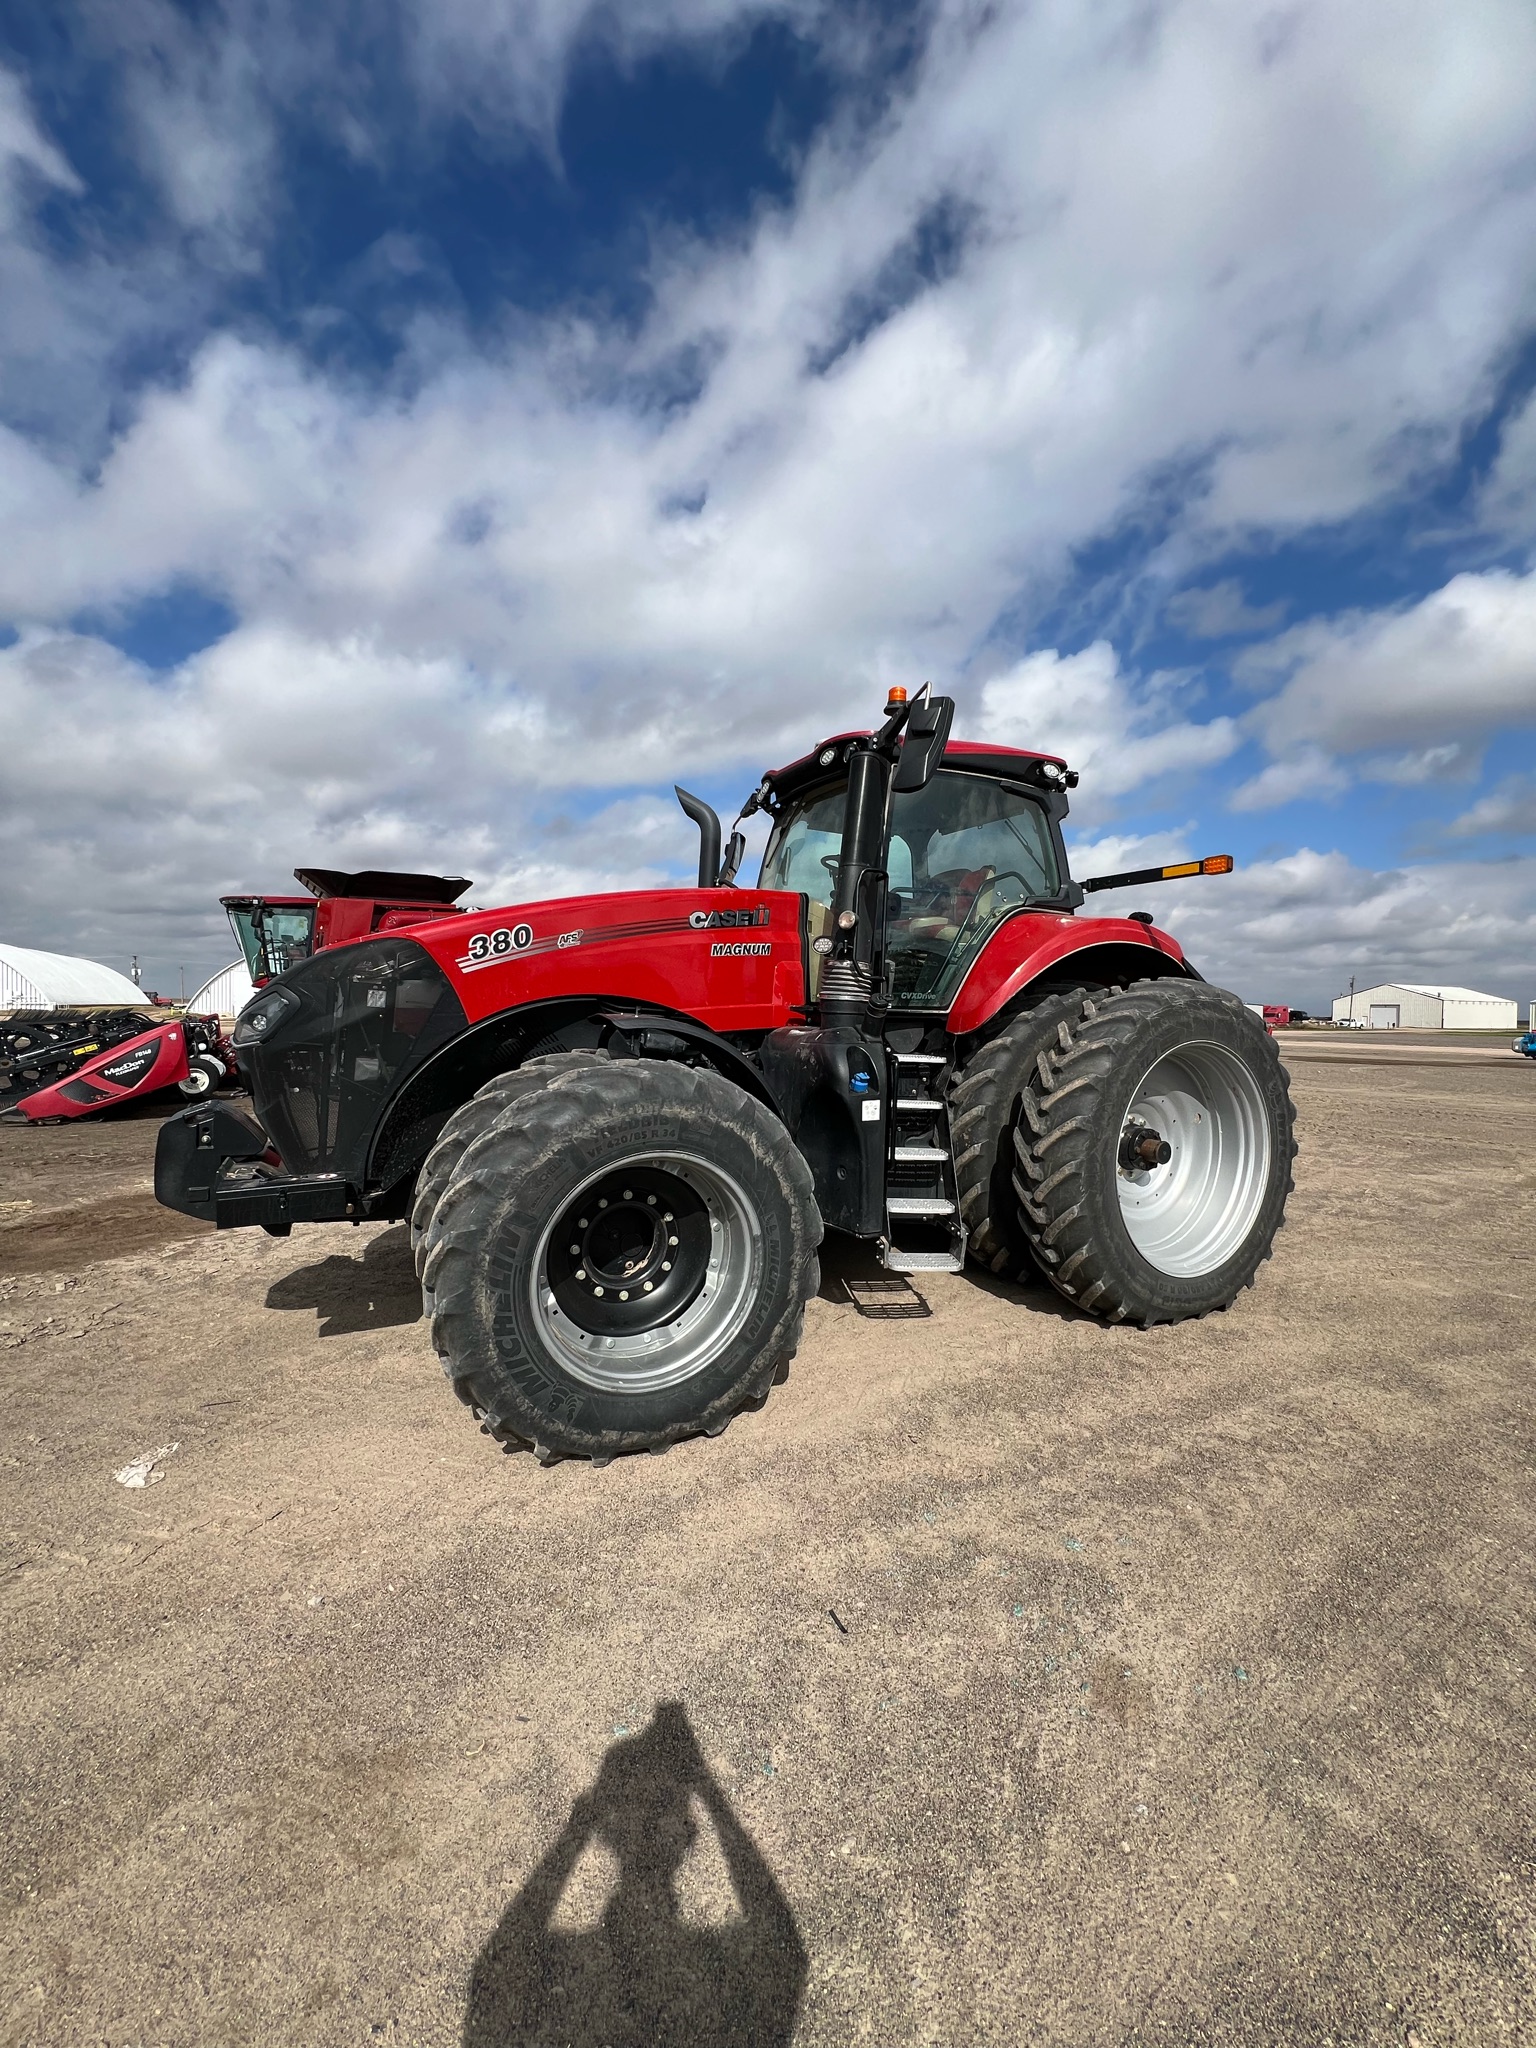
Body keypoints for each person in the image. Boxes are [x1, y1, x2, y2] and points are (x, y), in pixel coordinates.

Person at [463, 1701, 806, 2047]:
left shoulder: (579, 1971)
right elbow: (781, 1939)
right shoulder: (709, 1982)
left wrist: (575, 1834)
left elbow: (504, 1961)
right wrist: (708, 1791)